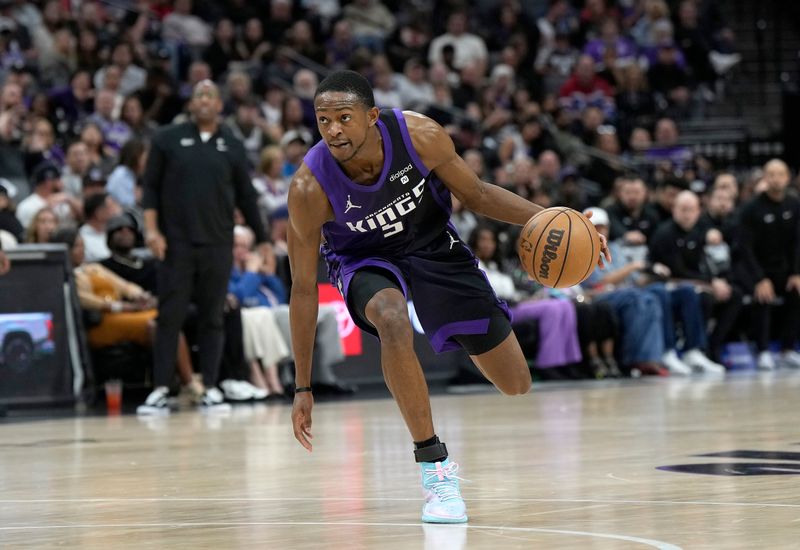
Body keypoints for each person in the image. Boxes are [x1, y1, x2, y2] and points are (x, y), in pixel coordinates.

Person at [286, 70, 609, 523]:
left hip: (434, 246)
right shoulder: (308, 187)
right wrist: (302, 386)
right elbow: (302, 289)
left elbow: (476, 194)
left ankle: (456, 326)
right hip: (364, 261)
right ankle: (434, 468)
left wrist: (560, 220)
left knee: (515, 383)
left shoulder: (419, 135)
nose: (333, 129)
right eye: (323, 120)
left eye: (344, 117)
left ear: (372, 117)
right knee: (392, 318)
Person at [138, 79, 268, 415]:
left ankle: (210, 386)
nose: (205, 100)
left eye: (211, 95)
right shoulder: (167, 139)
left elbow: (247, 197)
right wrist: (152, 231)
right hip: (176, 244)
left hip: (218, 243)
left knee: (214, 317)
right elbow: (150, 189)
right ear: (192, 104)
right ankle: (161, 389)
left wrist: (264, 239)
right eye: (199, 95)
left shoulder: (232, 144)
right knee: (170, 317)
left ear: (219, 105)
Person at [737, 159, 800, 370]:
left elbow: (797, 243)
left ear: (787, 177)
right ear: (764, 177)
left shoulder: (795, 204)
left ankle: (788, 350)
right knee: (763, 294)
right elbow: (745, 248)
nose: (776, 179)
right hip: (756, 267)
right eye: (771, 174)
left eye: (780, 174)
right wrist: (759, 278)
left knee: (797, 290)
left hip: (783, 267)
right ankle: (763, 350)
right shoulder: (751, 208)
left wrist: (796, 272)